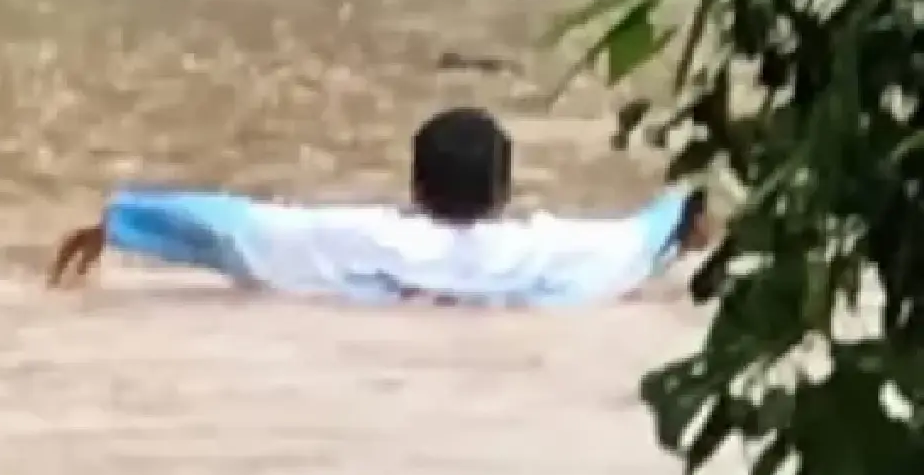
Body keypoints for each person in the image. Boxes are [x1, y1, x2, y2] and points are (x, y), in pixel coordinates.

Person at [46, 106, 711, 306]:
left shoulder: (353, 241)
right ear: (504, 192)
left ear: (416, 186)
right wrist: (694, 223)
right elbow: (658, 228)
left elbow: (227, 225)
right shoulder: (551, 250)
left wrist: (118, 221)